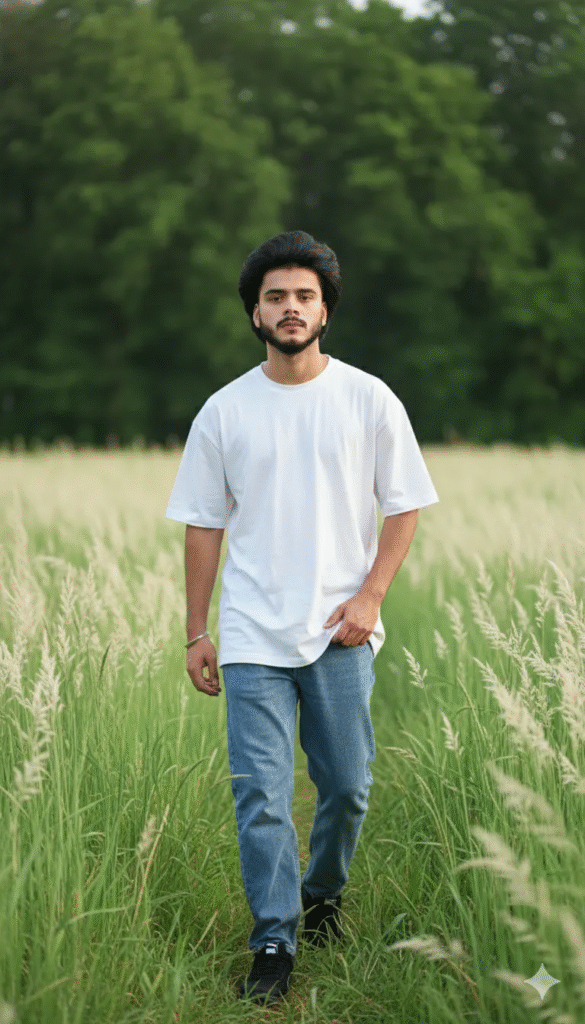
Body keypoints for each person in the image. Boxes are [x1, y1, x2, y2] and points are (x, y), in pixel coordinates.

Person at [166, 230, 439, 1005]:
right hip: (252, 633)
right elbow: (201, 524)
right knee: (260, 794)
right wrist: (197, 630)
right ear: (255, 312)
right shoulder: (224, 411)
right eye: (276, 296)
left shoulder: (367, 398)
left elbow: (405, 505)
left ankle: (322, 895)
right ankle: (275, 938)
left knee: (346, 787)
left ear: (325, 309)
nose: (291, 308)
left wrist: (370, 596)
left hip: (339, 633)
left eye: (304, 296)